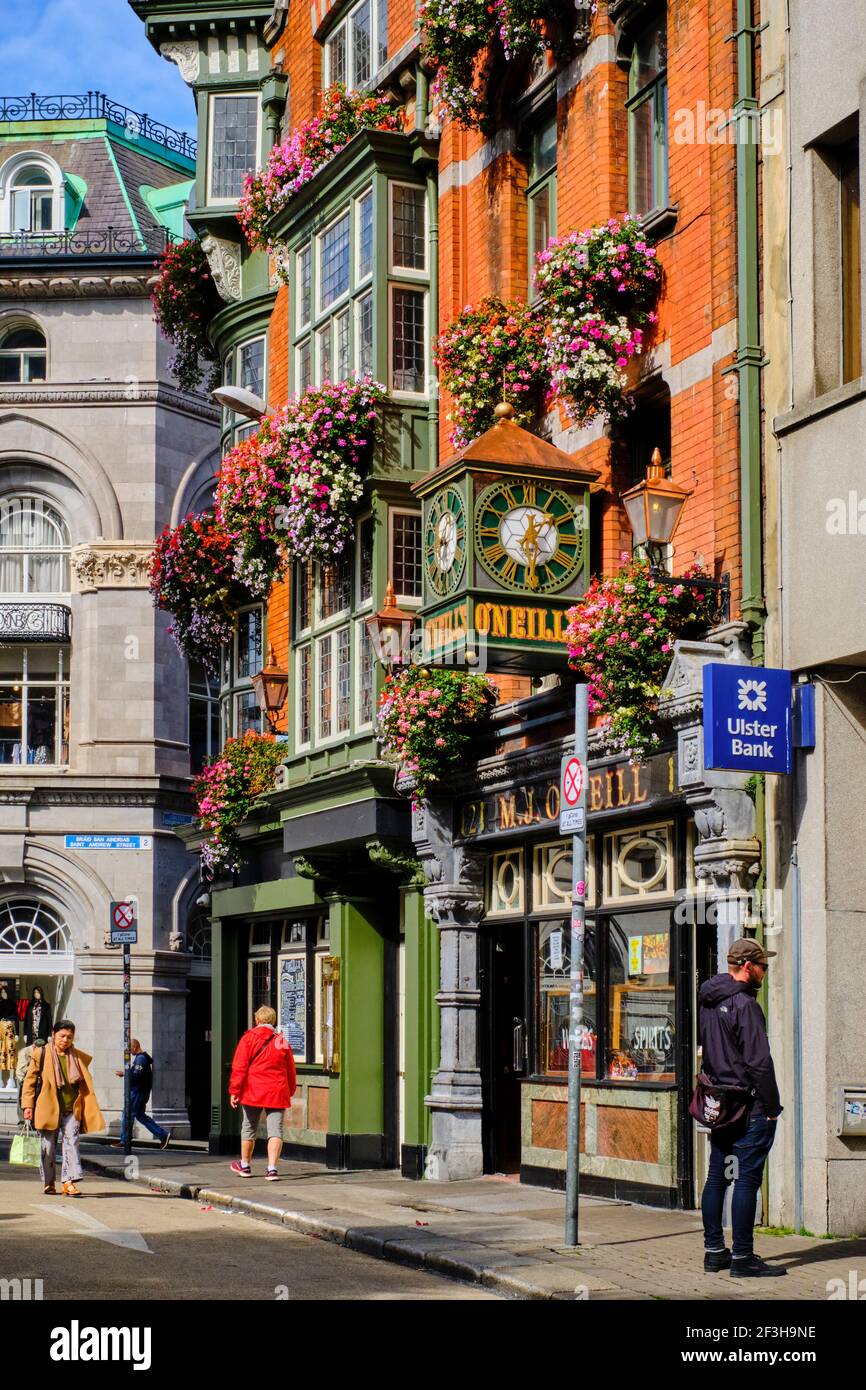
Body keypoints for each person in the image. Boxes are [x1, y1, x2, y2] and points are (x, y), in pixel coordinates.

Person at [699, 938, 784, 1278]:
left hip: (719, 1102)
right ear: (748, 966)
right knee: (746, 1179)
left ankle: (714, 1252)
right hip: (748, 1104)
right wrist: (772, 1105)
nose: (766, 971)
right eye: (763, 966)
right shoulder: (745, 1005)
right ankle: (744, 1259)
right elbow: (759, 1061)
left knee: (718, 1176)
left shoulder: (709, 999)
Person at [21, 1019, 105, 1197]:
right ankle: (49, 1182)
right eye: (62, 1036)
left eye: (69, 1037)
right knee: (48, 1148)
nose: (65, 1040)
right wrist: (27, 1106)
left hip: (72, 1108)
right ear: (54, 1034)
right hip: (47, 1108)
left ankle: (69, 1182)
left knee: (72, 1143)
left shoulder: (77, 1056)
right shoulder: (41, 1053)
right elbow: (29, 1082)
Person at [228, 1005, 296, 1181]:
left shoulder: (248, 1039)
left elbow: (239, 1067)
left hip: (253, 1090)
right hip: (277, 1091)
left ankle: (245, 1166)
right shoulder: (281, 1040)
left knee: (249, 1128)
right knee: (275, 1131)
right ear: (273, 1021)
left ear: (257, 1020)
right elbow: (290, 1069)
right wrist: (290, 1089)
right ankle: (272, 1169)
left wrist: (235, 1091)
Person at [112, 1039, 172, 1150]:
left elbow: (137, 1076)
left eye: (130, 1050)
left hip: (137, 1092)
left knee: (127, 1114)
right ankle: (163, 1135)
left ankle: (124, 1141)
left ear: (135, 1047)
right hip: (141, 1092)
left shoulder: (140, 1059)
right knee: (140, 1115)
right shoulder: (142, 1059)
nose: (130, 1052)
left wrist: (124, 1074)